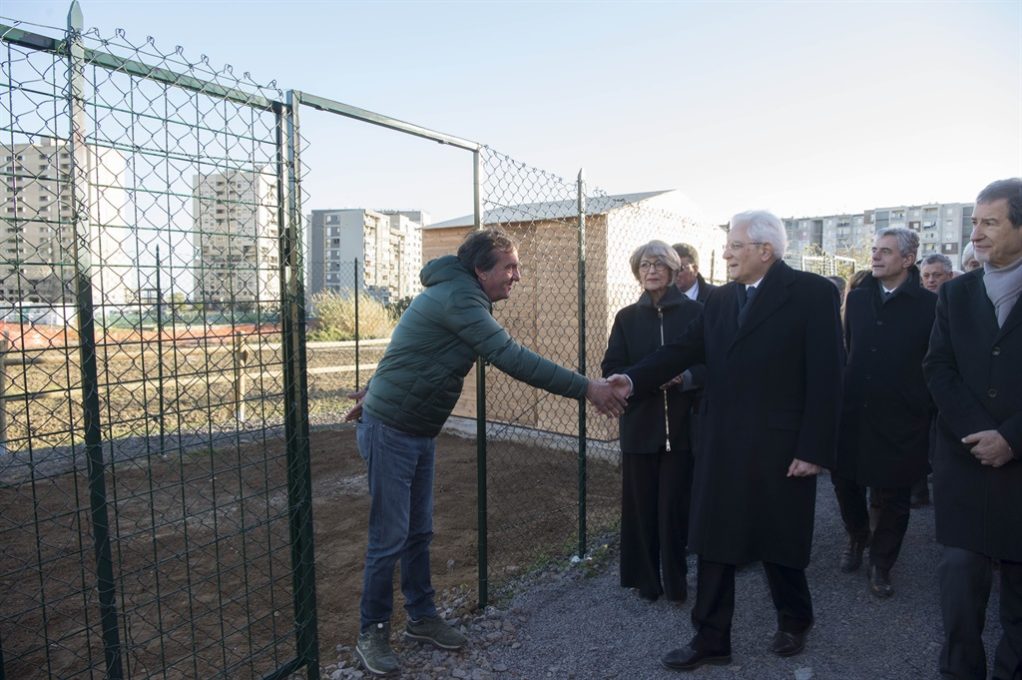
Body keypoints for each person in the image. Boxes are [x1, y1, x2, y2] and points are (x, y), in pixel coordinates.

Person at [344, 228, 627, 677]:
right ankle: (371, 632)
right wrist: (588, 387)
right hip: (392, 430)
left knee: (418, 532)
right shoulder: (460, 299)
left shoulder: (460, 295)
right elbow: (512, 357)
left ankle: (421, 618)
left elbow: (408, 347)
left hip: (414, 427)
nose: (517, 276)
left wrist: (374, 388)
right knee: (389, 538)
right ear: (481, 270)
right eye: (509, 267)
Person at [608, 210, 844, 671]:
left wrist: (814, 450)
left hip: (781, 445)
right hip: (720, 439)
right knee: (715, 538)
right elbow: (681, 351)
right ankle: (711, 638)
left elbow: (828, 378)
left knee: (778, 540)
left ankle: (795, 617)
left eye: (735, 245)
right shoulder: (719, 301)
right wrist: (630, 381)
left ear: (765, 250)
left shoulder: (811, 295)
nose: (727, 253)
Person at [924, 178, 1022, 680]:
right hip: (965, 463)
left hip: (1018, 469)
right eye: (975, 222)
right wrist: (979, 434)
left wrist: (1011, 438)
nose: (977, 234)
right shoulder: (956, 293)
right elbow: (937, 368)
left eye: (991, 222)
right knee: (959, 587)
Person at [831, 228, 936, 599]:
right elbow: (847, 349)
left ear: (907, 260)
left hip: (902, 416)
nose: (875, 257)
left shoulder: (930, 306)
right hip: (854, 411)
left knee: (892, 496)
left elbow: (934, 362)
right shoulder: (857, 300)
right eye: (874, 250)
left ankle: (882, 562)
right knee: (845, 482)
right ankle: (857, 535)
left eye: (886, 252)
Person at [601, 240, 703, 603]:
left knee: (674, 507)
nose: (651, 270)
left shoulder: (696, 314)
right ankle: (647, 581)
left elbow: (712, 364)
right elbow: (611, 367)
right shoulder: (626, 318)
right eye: (645, 265)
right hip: (640, 426)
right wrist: (640, 379)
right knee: (641, 506)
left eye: (659, 264)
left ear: (674, 270)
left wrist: (685, 378)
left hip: (682, 426)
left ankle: (677, 581)